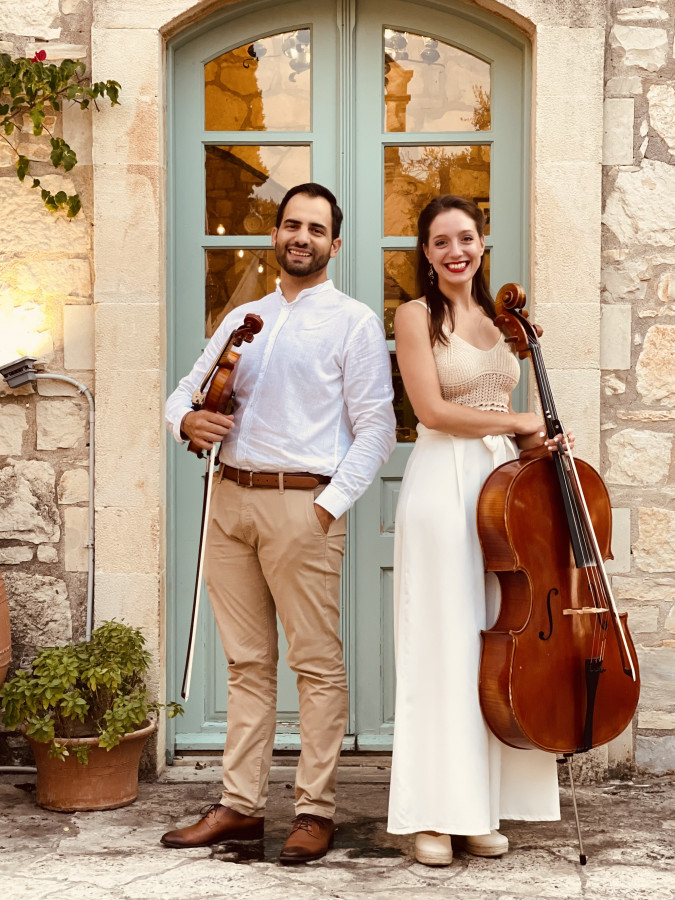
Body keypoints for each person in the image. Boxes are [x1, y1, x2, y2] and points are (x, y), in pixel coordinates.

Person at [162, 183, 396, 863]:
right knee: (246, 663)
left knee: (315, 665)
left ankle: (314, 810)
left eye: (315, 229)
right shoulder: (244, 318)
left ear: (334, 244)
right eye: (292, 225)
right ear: (275, 234)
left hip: (303, 503)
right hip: (229, 500)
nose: (301, 237)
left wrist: (327, 506)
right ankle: (239, 806)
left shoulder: (353, 322)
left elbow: (378, 429)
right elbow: (184, 391)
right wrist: (186, 420)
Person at [387, 195, 573, 866]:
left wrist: (539, 440)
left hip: (501, 489)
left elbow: (504, 414)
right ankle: (432, 815)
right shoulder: (415, 315)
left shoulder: (500, 322)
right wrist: (517, 420)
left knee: (496, 646)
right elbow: (433, 412)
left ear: (481, 243)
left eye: (465, 237)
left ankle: (480, 808)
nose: (455, 251)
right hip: (443, 484)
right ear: (426, 252)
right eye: (441, 241)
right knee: (441, 644)